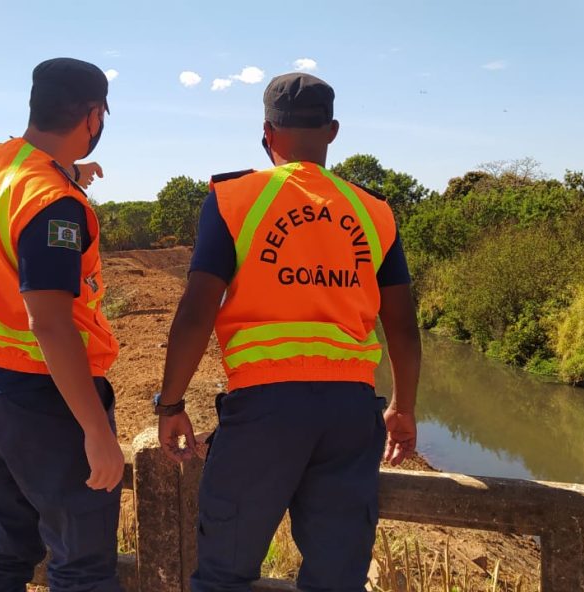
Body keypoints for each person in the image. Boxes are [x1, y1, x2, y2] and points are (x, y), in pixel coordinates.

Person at [155, 72, 422, 592]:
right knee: (336, 578)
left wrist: (171, 403)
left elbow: (196, 311)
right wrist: (404, 407)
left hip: (264, 412)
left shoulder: (236, 199)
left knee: (224, 574)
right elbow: (404, 328)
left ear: (266, 133)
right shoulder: (374, 211)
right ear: (333, 131)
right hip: (350, 412)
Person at [0, 57, 124, 592]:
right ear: (94, 116)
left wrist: (73, 173)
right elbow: (49, 322)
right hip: (49, 397)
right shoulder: (55, 205)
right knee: (81, 561)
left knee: (3, 548)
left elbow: (26, 181)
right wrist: (96, 431)